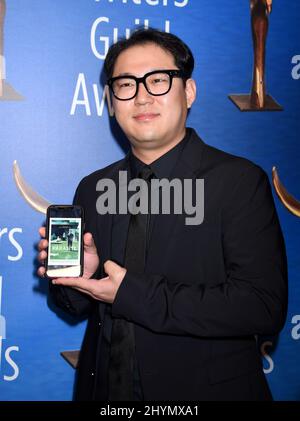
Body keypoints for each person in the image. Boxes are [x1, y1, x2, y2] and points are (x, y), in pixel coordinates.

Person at [38, 28, 287, 401]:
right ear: (111, 98)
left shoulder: (237, 182)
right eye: (125, 84)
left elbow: (261, 306)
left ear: (188, 92)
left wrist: (132, 293)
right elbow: (80, 306)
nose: (141, 97)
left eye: (157, 81)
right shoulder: (93, 187)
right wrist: (78, 280)